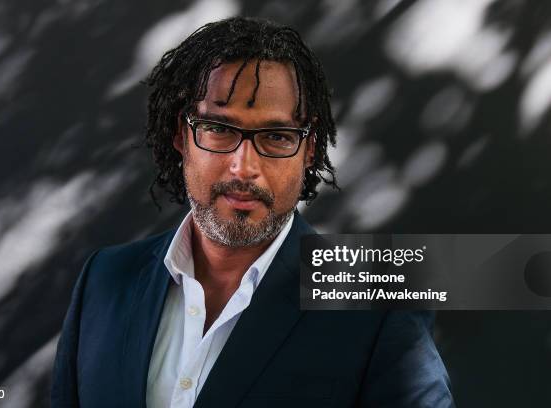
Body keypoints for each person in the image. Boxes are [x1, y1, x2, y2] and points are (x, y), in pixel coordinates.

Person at [51, 16, 454, 408]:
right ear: (181, 135)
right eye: (221, 129)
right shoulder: (103, 281)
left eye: (277, 136)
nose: (244, 167)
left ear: (309, 149)